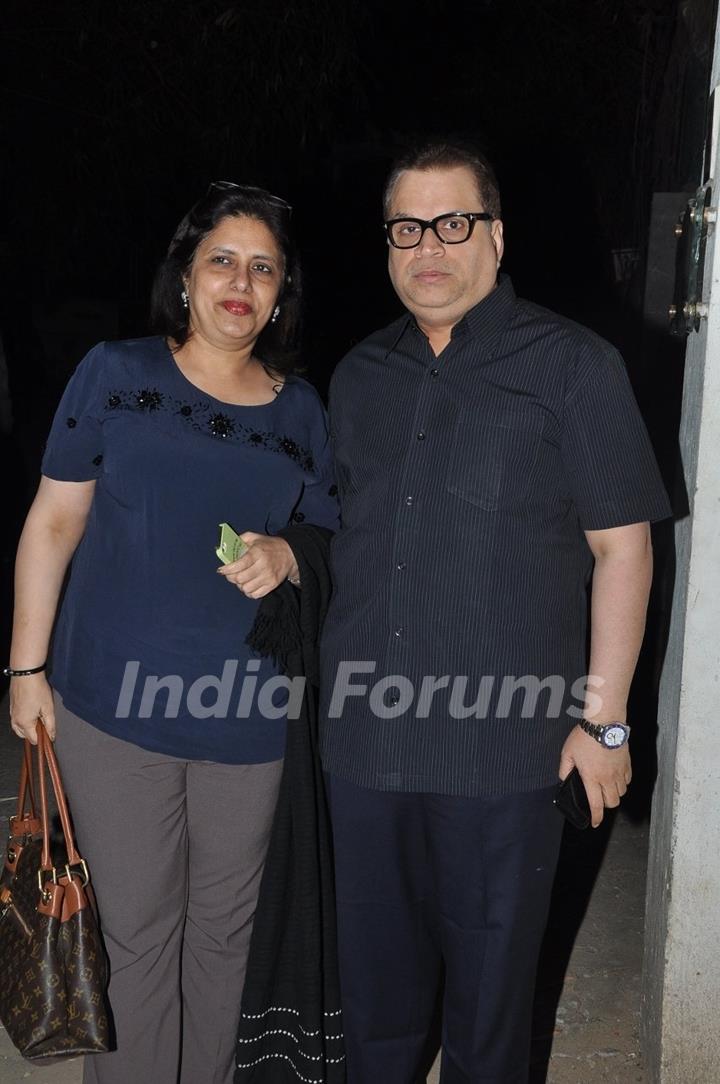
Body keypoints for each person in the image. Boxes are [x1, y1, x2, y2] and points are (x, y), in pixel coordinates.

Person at [319, 142, 671, 1083]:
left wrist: (605, 721)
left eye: (453, 223)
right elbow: (338, 533)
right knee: (375, 1020)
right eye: (407, 228)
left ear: (495, 235)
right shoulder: (357, 377)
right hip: (365, 749)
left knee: (489, 1024)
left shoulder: (573, 367)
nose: (428, 246)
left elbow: (623, 549)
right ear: (386, 244)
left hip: (501, 756)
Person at [6, 182, 339, 1084]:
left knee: (227, 940)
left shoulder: (302, 410)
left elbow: (331, 536)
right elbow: (52, 525)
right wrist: (24, 670)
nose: (242, 281)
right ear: (185, 280)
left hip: (249, 718)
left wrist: (289, 555)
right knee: (139, 935)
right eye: (222, 261)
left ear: (280, 295)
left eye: (263, 268)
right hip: (113, 710)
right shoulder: (117, 374)